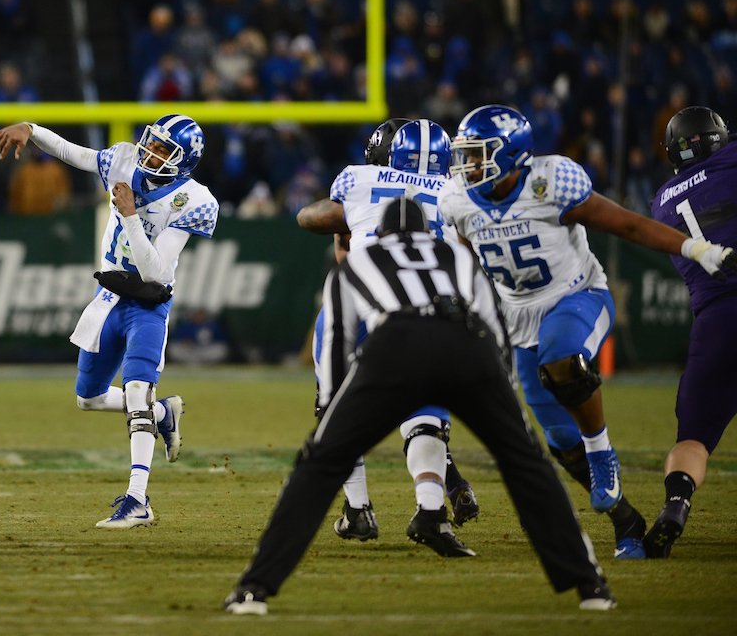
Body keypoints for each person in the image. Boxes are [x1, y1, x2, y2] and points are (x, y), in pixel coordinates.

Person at [224, 199, 618, 615]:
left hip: (396, 345)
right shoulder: (457, 257)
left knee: (318, 466)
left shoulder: (360, 262)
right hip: (468, 344)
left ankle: (254, 590)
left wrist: (331, 415)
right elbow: (495, 330)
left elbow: (337, 336)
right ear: (428, 232)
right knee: (527, 464)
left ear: (380, 233)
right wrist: (500, 404)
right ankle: (591, 586)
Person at [438, 105, 737, 560]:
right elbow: (465, 261)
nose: (469, 166)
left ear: (512, 154)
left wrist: (696, 248)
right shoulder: (456, 199)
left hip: (577, 296)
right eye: (467, 156)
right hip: (520, 318)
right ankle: (625, 521)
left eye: (479, 155)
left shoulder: (551, 180)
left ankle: (603, 454)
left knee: (562, 362)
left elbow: (627, 224)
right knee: (559, 439)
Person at [0, 114, 215, 528]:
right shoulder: (125, 161)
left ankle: (138, 499)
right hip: (107, 298)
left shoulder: (194, 200)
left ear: (183, 162)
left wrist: (130, 215)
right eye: (152, 142)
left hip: (147, 304)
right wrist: (33, 130)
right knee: (88, 397)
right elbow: (73, 153)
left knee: (134, 393)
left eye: (164, 149)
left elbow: (155, 272)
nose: (151, 151)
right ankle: (164, 414)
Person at [296, 118, 480, 552]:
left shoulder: (360, 180)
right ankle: (432, 508)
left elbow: (311, 218)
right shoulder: (460, 193)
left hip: (359, 301)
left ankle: (358, 509)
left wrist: (350, 225)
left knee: (336, 408)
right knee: (427, 413)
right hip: (428, 309)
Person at [645, 107, 737, 557]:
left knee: (693, 439)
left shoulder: (660, 202)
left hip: (714, 324)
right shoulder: (731, 160)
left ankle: (676, 504)